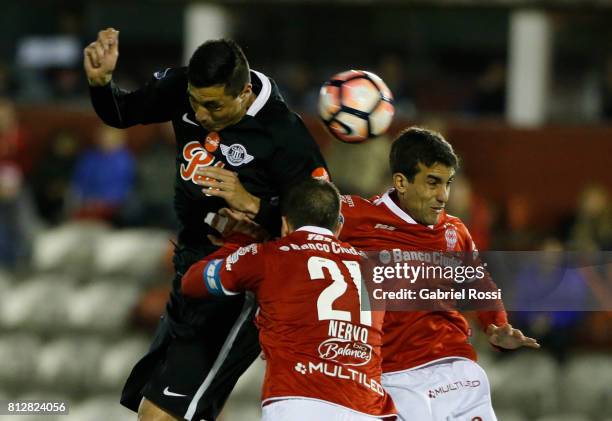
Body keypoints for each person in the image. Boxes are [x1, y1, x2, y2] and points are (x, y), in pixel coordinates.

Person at [83, 28, 329, 421]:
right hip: (193, 263)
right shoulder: (185, 86)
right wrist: (101, 85)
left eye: (214, 107)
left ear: (244, 93)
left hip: (241, 279)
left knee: (160, 415)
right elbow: (124, 113)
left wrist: (255, 206)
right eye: (196, 105)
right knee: (187, 408)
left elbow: (320, 221)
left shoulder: (284, 134)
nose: (200, 116)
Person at [337, 127, 539, 421]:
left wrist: (498, 326)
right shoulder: (355, 218)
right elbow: (298, 231)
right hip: (392, 377)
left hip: (456, 370)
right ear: (401, 182)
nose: (443, 195)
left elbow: (479, 283)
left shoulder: (455, 231)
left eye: (448, 183)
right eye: (433, 183)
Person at [181, 179, 396, 420]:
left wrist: (240, 240)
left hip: (298, 402)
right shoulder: (374, 270)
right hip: (367, 406)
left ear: (285, 223)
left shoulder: (267, 257)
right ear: (338, 225)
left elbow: (192, 282)